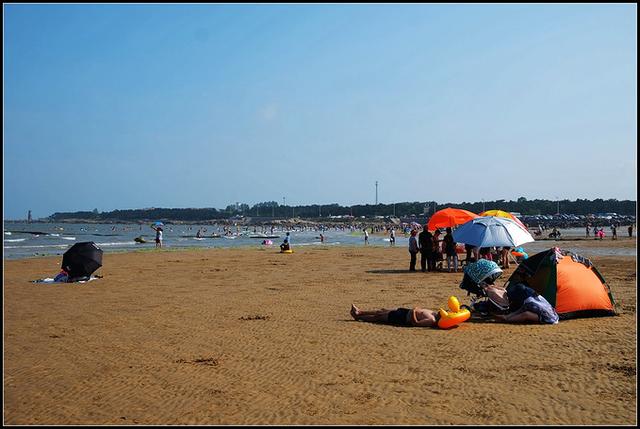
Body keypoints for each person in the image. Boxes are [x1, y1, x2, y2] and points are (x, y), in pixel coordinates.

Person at [350, 304, 439, 327]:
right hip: (405, 311)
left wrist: (413, 311)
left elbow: (415, 323)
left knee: (378, 317)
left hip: (403, 318)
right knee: (381, 311)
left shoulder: (432, 320)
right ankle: (360, 312)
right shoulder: (434, 313)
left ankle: (358, 317)